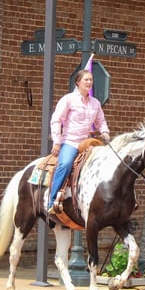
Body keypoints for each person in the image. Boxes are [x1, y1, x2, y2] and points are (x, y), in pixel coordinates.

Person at [48, 69, 110, 214]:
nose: (89, 82)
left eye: (91, 80)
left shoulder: (95, 103)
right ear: (78, 82)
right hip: (71, 142)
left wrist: (105, 131)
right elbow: (56, 119)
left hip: (88, 143)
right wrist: (57, 141)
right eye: (86, 80)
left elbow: (101, 121)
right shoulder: (68, 99)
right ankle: (51, 201)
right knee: (65, 164)